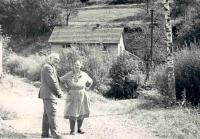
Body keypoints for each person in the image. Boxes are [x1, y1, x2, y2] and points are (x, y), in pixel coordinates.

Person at [60, 60, 93, 135]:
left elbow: (91, 81)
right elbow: (61, 80)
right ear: (73, 66)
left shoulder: (84, 74)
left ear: (81, 66)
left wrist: (87, 88)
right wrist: (66, 88)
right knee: (72, 111)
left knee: (82, 111)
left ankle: (79, 128)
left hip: (82, 94)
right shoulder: (69, 74)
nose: (77, 66)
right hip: (72, 94)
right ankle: (72, 130)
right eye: (75, 65)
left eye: (78, 65)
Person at [38, 53, 62, 139]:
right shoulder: (48, 67)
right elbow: (53, 82)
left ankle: (44, 133)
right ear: (50, 58)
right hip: (49, 94)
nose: (57, 60)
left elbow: (56, 80)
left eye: (58, 59)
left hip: (47, 94)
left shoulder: (51, 67)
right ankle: (56, 134)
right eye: (55, 58)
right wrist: (59, 92)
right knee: (52, 113)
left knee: (47, 114)